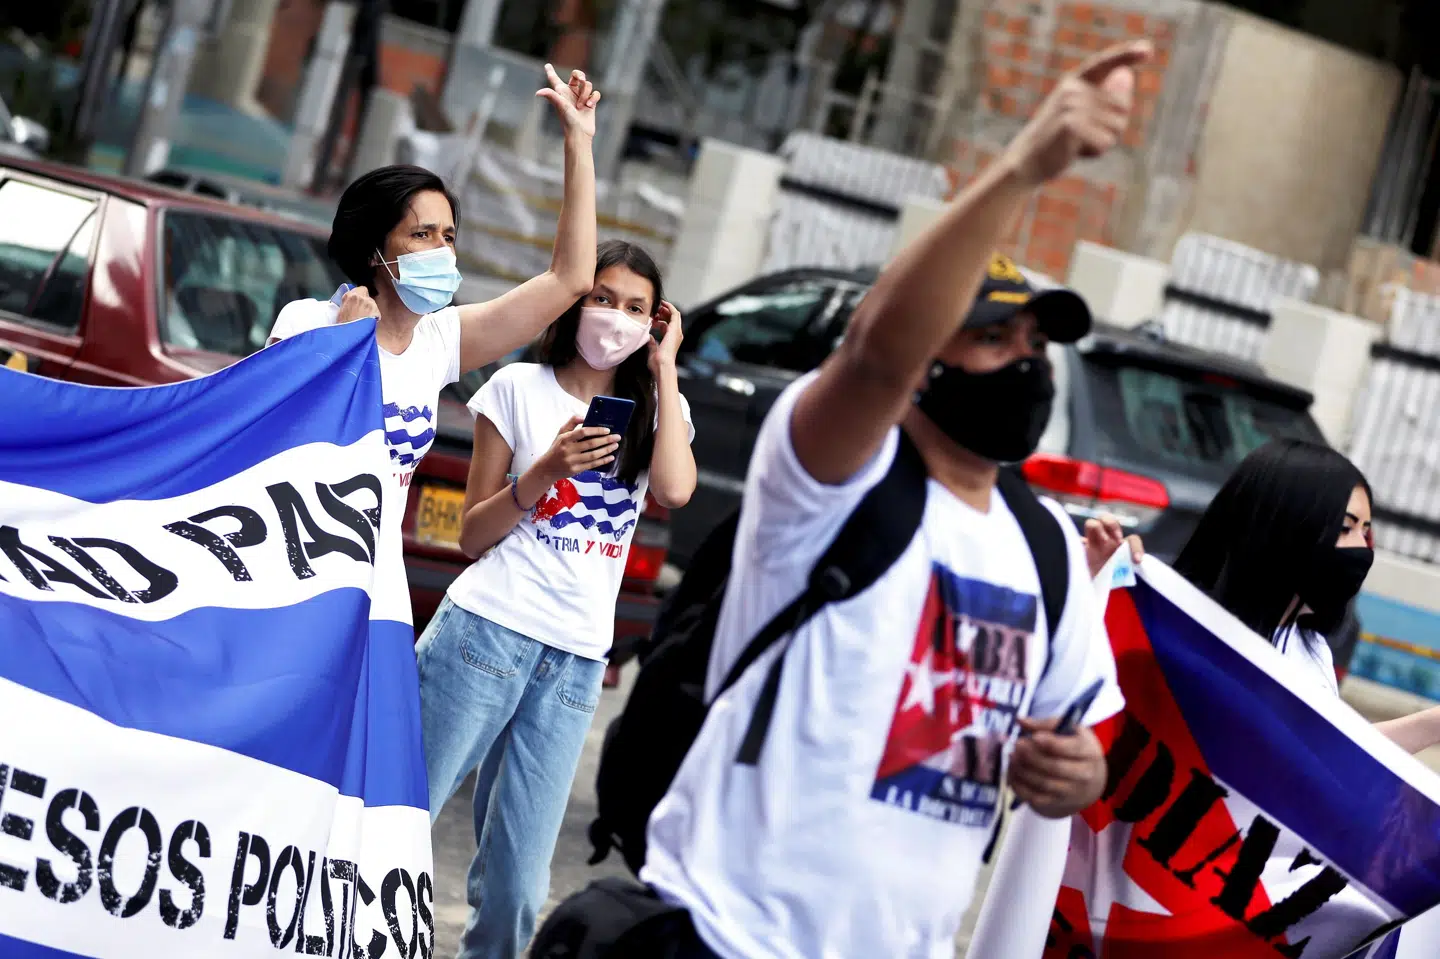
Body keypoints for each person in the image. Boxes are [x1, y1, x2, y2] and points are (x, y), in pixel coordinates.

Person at [637, 40, 1153, 959]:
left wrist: (1076, 772)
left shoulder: (1046, 553)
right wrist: (1025, 167)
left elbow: (1072, 745)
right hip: (723, 934)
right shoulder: (833, 473)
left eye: (1036, 339)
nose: (1027, 358)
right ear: (929, 359)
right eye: (995, 337)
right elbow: (875, 353)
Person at [415, 239, 696, 959]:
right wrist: (544, 471)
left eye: (637, 308)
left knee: (518, 887)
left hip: (572, 662)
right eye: (604, 297)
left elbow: (675, 490)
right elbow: (472, 536)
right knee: (397, 821)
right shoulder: (517, 388)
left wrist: (664, 370)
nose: (616, 317)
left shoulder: (655, 409)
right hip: (485, 632)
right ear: (575, 300)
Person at [265, 64, 600, 507]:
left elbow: (571, 279)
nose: (441, 249)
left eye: (449, 236)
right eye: (422, 235)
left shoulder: (438, 341)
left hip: (374, 570)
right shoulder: (307, 321)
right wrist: (346, 344)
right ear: (374, 252)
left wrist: (579, 142)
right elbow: (272, 435)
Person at [1084, 438, 1440, 747]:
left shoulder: (1309, 650)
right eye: (1345, 528)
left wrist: (1432, 724)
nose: (1360, 548)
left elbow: (1335, 754)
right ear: (1287, 526)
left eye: (1365, 531)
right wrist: (1100, 577)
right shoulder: (1173, 623)